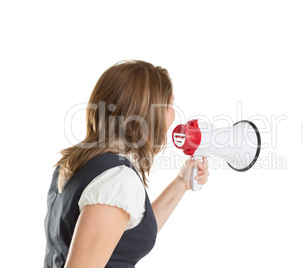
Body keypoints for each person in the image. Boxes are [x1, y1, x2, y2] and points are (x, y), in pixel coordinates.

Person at [44, 60, 209, 267]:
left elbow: (122, 236)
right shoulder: (117, 180)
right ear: (150, 114)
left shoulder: (79, 163)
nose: (174, 115)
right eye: (170, 105)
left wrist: (180, 184)